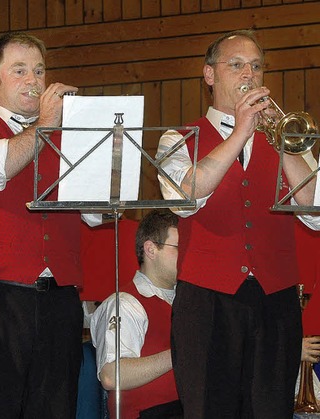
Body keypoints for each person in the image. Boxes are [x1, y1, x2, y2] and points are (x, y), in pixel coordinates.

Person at [156, 29, 320, 418]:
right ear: (209, 75)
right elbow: (184, 199)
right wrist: (241, 133)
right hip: (207, 302)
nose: (249, 73)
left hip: (276, 299)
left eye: (256, 65)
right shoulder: (176, 138)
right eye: (236, 64)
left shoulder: (288, 141)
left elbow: (314, 211)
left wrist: (281, 144)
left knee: (270, 409)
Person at [0, 32, 98, 418]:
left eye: (39, 71)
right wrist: (45, 127)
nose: (34, 80)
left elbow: (100, 213)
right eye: (20, 71)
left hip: (59, 299)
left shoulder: (68, 137)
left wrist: (97, 139)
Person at [90, 210, 183, 419]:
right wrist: (179, 353)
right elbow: (111, 376)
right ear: (150, 249)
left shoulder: (188, 302)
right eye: (179, 247)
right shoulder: (125, 303)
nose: (186, 255)